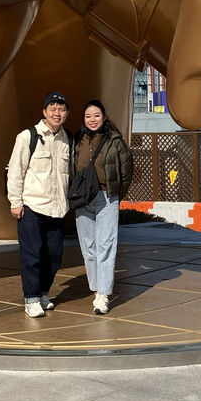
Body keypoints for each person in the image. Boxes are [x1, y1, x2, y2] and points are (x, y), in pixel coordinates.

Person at [6, 91, 72, 317]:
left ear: (66, 113)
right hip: (33, 206)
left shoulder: (67, 139)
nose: (57, 113)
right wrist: (15, 202)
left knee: (54, 256)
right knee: (32, 255)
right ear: (44, 112)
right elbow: (15, 171)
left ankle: (43, 293)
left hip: (58, 208)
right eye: (52, 109)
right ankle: (31, 298)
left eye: (61, 109)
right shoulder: (28, 136)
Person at [73, 100, 133, 314]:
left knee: (106, 245)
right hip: (83, 199)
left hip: (107, 197)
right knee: (88, 247)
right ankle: (96, 288)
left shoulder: (115, 141)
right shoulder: (77, 141)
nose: (92, 119)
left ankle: (103, 295)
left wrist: (115, 193)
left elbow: (127, 170)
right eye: (88, 116)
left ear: (104, 117)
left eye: (96, 115)